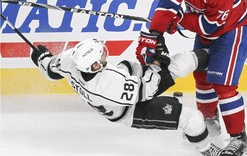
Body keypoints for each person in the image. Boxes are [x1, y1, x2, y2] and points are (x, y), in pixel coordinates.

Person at [135, 0, 247, 156]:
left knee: (223, 85)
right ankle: (210, 122)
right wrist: (156, 34)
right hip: (207, 30)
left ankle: (240, 138)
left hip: (232, 31)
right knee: (202, 79)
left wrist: (181, 20)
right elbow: (166, 4)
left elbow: (211, 26)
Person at [31, 38, 223, 156]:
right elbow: (146, 89)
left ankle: (223, 56)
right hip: (132, 109)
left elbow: (50, 69)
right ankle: (207, 150)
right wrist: (156, 63)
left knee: (178, 64)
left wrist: (41, 56)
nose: (105, 56)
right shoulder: (105, 85)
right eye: (102, 58)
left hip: (127, 85)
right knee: (192, 118)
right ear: (95, 66)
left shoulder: (71, 59)